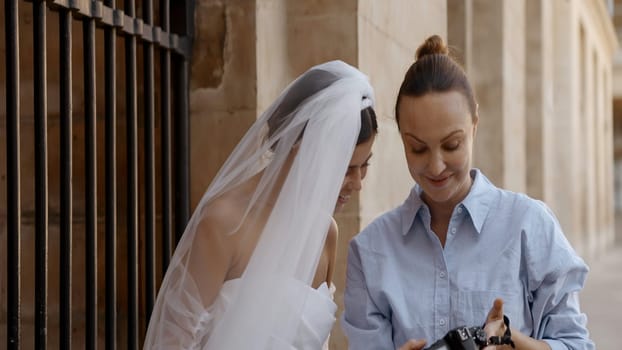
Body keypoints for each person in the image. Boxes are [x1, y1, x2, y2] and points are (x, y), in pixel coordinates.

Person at [341, 35, 594, 350]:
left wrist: (513, 342)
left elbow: (577, 345)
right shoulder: (370, 252)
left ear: (474, 123)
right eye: (417, 148)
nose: (435, 167)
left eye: (451, 145)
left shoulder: (530, 226)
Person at [143, 60, 377, 350]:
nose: (357, 183)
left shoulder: (325, 232)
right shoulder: (223, 224)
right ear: (300, 147)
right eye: (345, 168)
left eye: (364, 165)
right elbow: (173, 343)